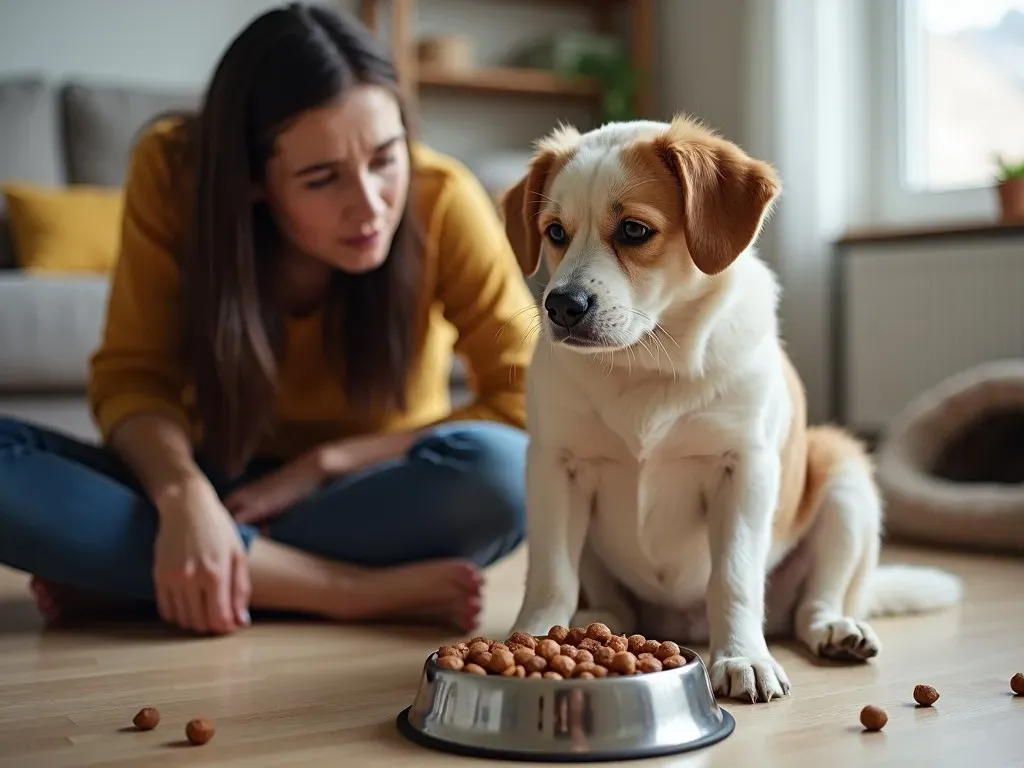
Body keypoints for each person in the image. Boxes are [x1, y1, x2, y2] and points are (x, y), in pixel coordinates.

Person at [0, 3, 538, 636]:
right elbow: (132, 378)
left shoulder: (442, 196)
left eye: (386, 159)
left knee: (504, 476)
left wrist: (327, 462)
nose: (370, 207)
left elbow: (528, 397)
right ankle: (336, 590)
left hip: (371, 490)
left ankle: (157, 574)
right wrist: (181, 496)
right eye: (322, 179)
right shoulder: (175, 174)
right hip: (211, 474)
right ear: (254, 180)